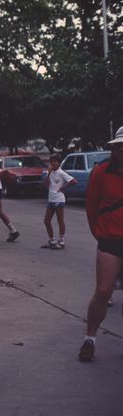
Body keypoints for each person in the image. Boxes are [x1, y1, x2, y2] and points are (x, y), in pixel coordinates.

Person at [79, 126, 123, 362]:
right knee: (104, 291)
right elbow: (91, 207)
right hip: (110, 241)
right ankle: (90, 339)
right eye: (120, 146)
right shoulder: (101, 173)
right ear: (114, 149)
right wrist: (100, 233)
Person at [41, 153, 77, 249]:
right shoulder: (51, 172)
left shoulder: (61, 173)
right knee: (47, 220)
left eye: (55, 162)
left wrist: (63, 187)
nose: (53, 163)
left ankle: (61, 241)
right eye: (51, 162)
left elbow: (73, 181)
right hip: (51, 199)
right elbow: (46, 185)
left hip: (59, 199)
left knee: (60, 220)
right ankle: (52, 240)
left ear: (59, 163)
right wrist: (48, 174)